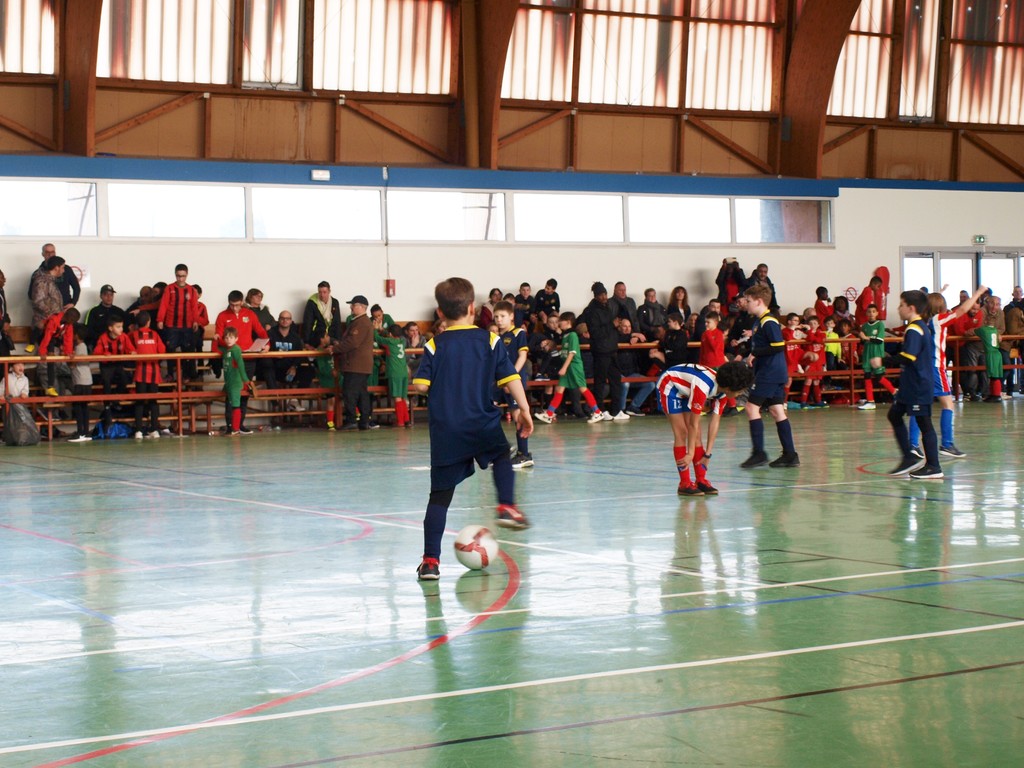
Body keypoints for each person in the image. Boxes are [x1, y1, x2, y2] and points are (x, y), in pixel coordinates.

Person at [412, 277, 533, 581]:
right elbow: (510, 378)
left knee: (439, 497)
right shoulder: (489, 340)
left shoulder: (434, 345)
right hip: (481, 421)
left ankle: (430, 561)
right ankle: (506, 506)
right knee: (502, 455)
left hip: (446, 431)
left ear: (440, 312)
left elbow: (420, 386)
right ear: (472, 308)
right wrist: (524, 409)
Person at [657, 361, 754, 496]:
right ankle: (684, 483)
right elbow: (693, 424)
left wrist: (708, 454)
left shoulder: (723, 392)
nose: (740, 394)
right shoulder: (703, 387)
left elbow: (715, 422)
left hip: (687, 388)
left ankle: (701, 480)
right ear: (728, 388)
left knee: (697, 435)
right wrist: (690, 453)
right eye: (739, 391)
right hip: (670, 386)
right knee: (682, 432)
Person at [740, 284, 799, 468]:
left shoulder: (769, 321)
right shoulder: (759, 322)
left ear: (759, 301)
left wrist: (755, 353)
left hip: (770, 373)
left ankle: (759, 453)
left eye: (748, 301)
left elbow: (778, 345)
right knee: (776, 410)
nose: (746, 304)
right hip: (773, 372)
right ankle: (790, 454)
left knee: (751, 407)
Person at [887, 291, 942, 479]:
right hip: (910, 385)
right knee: (894, 414)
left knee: (924, 423)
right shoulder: (915, 327)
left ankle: (934, 466)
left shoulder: (915, 329)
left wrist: (883, 361)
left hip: (919, 385)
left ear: (911, 308)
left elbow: (908, 356)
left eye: (901, 305)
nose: (898, 308)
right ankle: (909, 456)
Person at [534, 311, 606, 424]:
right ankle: (549, 414)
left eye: (560, 321)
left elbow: (572, 353)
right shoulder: (565, 335)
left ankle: (597, 412)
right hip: (567, 366)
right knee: (559, 389)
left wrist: (564, 368)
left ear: (568, 322)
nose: (559, 323)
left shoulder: (572, 335)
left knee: (582, 388)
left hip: (574, 366)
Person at [213, 290, 269, 434]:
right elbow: (219, 337)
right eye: (232, 305)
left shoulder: (250, 314)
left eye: (237, 305)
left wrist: (267, 344)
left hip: (248, 358)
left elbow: (261, 332)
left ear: (242, 302)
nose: (234, 308)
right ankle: (230, 426)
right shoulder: (222, 316)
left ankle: (240, 425)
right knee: (232, 392)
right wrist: (226, 346)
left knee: (245, 392)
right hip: (231, 359)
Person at [578, 282, 627, 420]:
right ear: (596, 296)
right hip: (601, 351)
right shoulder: (591, 311)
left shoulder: (607, 307)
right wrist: (612, 324)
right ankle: (600, 410)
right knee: (600, 382)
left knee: (616, 380)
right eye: (601, 295)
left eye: (605, 294)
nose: (604, 297)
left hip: (612, 349)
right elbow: (595, 333)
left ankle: (616, 410)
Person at [494, 300, 533, 467]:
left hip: (513, 381)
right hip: (499, 382)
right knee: (488, 410)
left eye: (502, 316)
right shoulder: (496, 338)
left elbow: (522, 357)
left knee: (518, 416)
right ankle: (501, 448)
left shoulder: (518, 333)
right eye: (496, 317)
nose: (499, 320)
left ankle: (524, 454)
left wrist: (512, 377)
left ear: (511, 316)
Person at [335, 295, 378, 431]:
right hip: (360, 365)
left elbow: (353, 342)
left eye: (353, 305)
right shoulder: (361, 321)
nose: (351, 307)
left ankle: (351, 419)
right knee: (361, 393)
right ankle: (364, 420)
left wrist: (335, 349)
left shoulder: (361, 322)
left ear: (362, 307)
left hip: (356, 364)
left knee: (350, 392)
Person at [156, 264, 201, 381]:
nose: (181, 279)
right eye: (178, 276)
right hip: (172, 325)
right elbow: (164, 305)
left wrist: (195, 321)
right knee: (170, 350)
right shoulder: (169, 289)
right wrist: (160, 319)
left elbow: (194, 307)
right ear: (175, 275)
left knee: (186, 350)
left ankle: (185, 374)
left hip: (187, 326)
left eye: (183, 276)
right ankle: (170, 374)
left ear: (187, 275)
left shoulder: (191, 290)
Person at [127, 311, 166, 439]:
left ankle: (138, 430)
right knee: (153, 401)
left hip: (140, 372)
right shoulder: (154, 334)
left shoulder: (133, 335)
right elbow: (162, 350)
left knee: (139, 401)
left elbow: (128, 348)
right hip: (154, 372)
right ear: (149, 322)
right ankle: (154, 429)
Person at [93, 317, 136, 426]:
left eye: (122, 326)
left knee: (125, 380)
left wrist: (132, 352)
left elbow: (131, 349)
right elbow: (96, 353)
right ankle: (107, 405)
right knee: (106, 382)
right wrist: (104, 355)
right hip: (106, 365)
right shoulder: (103, 338)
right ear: (110, 328)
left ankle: (115, 397)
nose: (121, 329)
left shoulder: (124, 337)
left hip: (118, 364)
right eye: (118, 327)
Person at [856, 304, 897, 410]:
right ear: (866, 313)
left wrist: (866, 337)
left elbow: (879, 340)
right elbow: (863, 341)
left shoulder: (880, 325)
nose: (871, 314)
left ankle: (895, 393)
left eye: (873, 311)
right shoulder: (864, 326)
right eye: (869, 312)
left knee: (879, 377)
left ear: (877, 313)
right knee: (867, 376)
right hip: (867, 353)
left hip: (876, 353)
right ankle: (870, 401)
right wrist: (861, 337)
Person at [38, 306, 81, 397]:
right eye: (73, 320)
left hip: (54, 341)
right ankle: (50, 388)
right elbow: (47, 336)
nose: (73, 323)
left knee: (54, 362)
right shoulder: (54, 320)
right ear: (69, 317)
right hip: (43, 337)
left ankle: (51, 388)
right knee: (49, 360)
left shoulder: (68, 325)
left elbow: (68, 339)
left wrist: (68, 352)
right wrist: (42, 351)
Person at [221, 326, 256, 436]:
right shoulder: (226, 350)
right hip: (229, 382)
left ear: (236, 338)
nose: (228, 340)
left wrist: (246, 380)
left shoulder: (236, 350)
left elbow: (240, 365)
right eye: (226, 338)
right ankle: (231, 427)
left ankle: (235, 428)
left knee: (236, 405)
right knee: (231, 403)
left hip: (235, 383)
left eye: (231, 337)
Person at [28, 256, 65, 355]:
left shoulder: (50, 281)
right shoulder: (42, 281)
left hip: (52, 324)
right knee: (45, 354)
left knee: (51, 354)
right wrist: (51, 315)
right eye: (62, 267)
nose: (63, 270)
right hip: (44, 324)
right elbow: (38, 301)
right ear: (56, 268)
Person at [376, 324, 411, 427]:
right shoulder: (402, 341)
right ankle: (407, 420)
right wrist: (382, 330)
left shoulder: (389, 341)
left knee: (397, 397)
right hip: (404, 372)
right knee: (403, 397)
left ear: (390, 334)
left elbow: (377, 338)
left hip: (394, 373)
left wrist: (375, 329)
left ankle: (400, 421)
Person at [68, 325, 93, 443]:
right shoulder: (83, 347)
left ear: (76, 335)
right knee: (84, 407)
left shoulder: (80, 347)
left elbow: (73, 364)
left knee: (78, 407)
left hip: (80, 381)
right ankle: (85, 431)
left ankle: (81, 432)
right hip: (86, 381)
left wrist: (70, 359)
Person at [302, 281, 343, 348]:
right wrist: (306, 342)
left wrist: (338, 340)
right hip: (316, 336)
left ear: (329, 291)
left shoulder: (335, 302)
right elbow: (308, 323)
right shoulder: (312, 303)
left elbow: (337, 322)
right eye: (320, 292)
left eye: (324, 292)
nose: (322, 295)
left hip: (331, 337)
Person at [84, 284, 125, 348]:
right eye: (106, 294)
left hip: (117, 345)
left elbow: (125, 329)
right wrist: (101, 338)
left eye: (111, 295)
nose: (109, 297)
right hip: (98, 344)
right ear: (101, 296)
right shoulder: (93, 311)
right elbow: (88, 330)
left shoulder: (119, 311)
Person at [0, 268, 11, 358]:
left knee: (6, 359)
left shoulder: (1, 290)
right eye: (1, 278)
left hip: (2, 333)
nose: (4, 280)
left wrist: (6, 321)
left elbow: (3, 309)